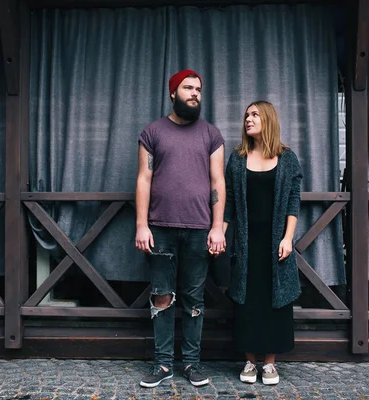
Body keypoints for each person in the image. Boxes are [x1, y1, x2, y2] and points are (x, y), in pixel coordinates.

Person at [135, 69, 226, 388]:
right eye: (188, 88)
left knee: (194, 299)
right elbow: (144, 179)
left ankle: (191, 363)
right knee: (161, 296)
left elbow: (218, 181)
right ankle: (162, 365)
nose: (195, 94)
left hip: (200, 229)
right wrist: (141, 224)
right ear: (173, 92)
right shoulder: (153, 131)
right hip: (159, 228)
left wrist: (218, 227)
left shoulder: (211, 134)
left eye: (199, 89)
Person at [223, 100, 303, 385]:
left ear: (268, 119)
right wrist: (220, 232)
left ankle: (269, 363)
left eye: (255, 114)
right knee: (248, 300)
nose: (248, 119)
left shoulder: (287, 157)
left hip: (276, 241)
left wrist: (288, 238)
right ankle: (249, 360)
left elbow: (294, 200)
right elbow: (229, 201)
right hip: (246, 241)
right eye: (246, 115)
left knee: (275, 300)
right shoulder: (237, 158)